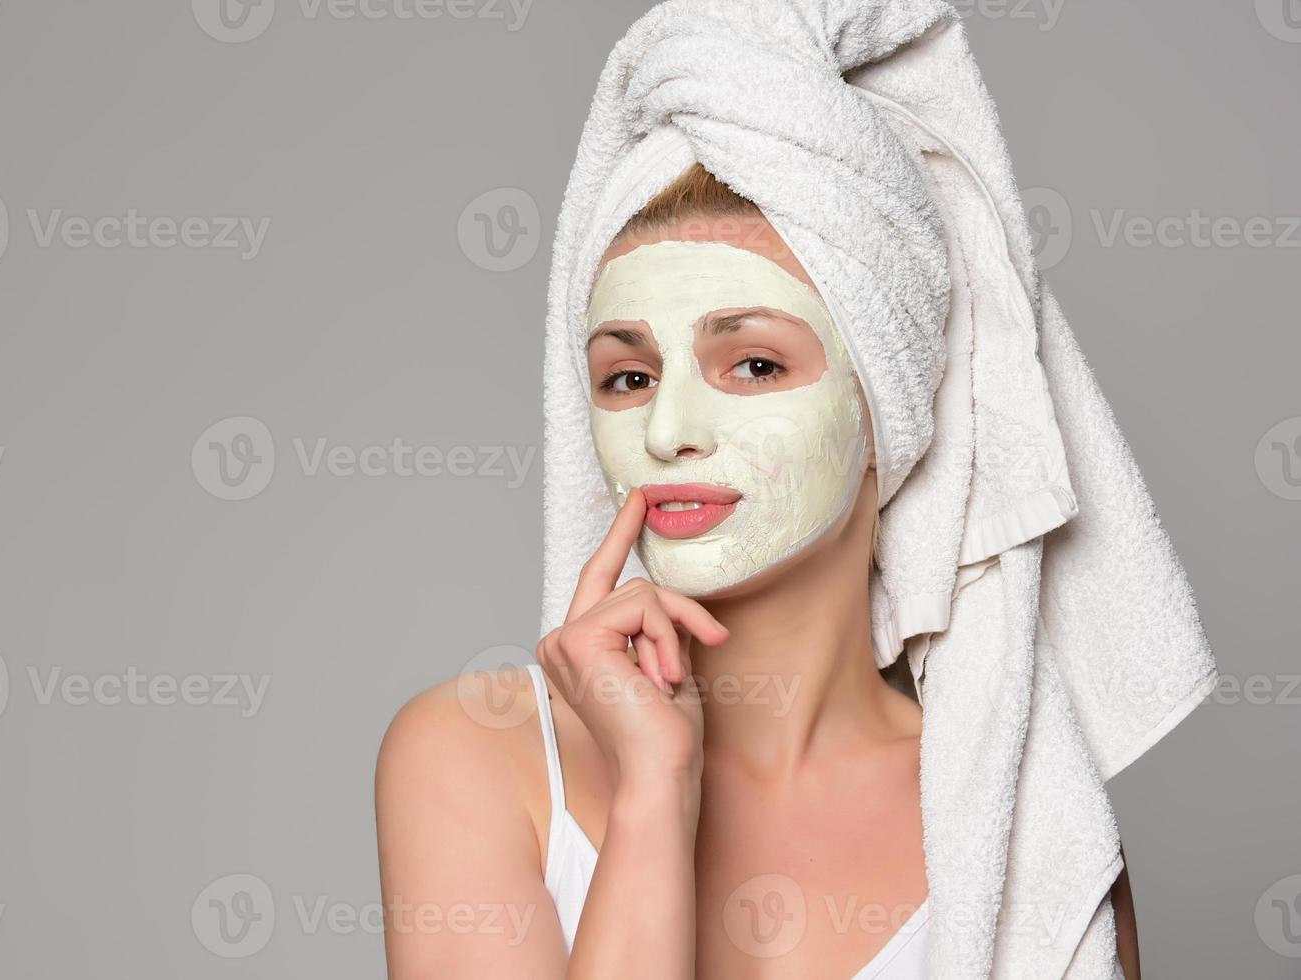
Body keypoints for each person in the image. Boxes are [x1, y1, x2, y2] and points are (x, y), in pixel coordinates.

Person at [374, 163, 1141, 978]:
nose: (669, 432)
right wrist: (654, 792)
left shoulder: (1029, 823)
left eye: (754, 365)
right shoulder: (478, 752)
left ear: (886, 412)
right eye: (629, 378)